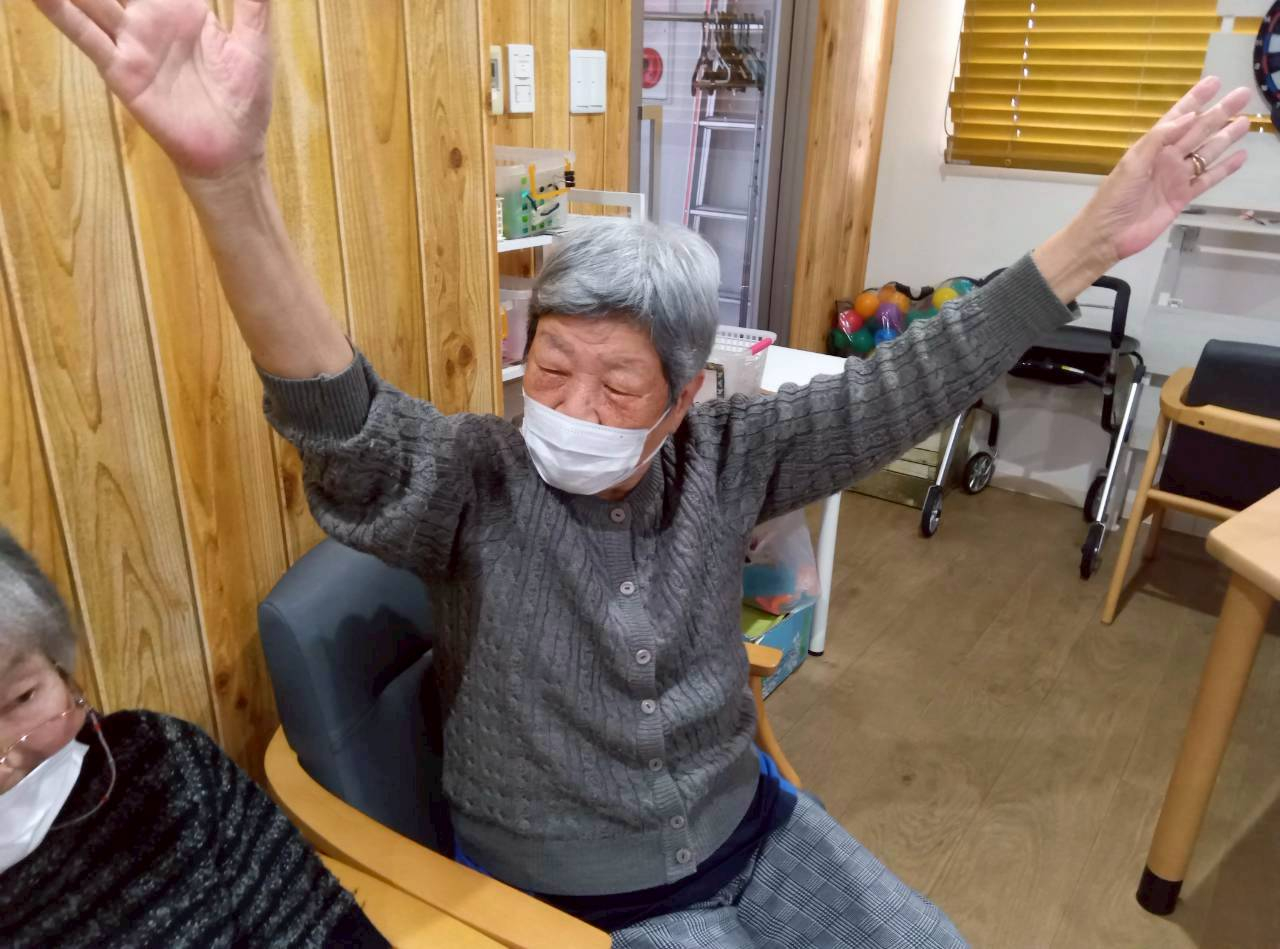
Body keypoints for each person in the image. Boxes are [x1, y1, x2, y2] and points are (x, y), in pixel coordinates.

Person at [30, 0, 1252, 946]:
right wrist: (227, 184)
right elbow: (341, 424)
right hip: (585, 893)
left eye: (616, 388)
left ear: (681, 402)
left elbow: (906, 380)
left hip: (752, 824)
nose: (570, 409)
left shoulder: (731, 452)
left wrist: (1089, 239)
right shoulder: (472, 480)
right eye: (551, 368)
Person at [0, 529, 388, 947]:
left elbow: (320, 928)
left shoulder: (159, 764)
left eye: (23, 696)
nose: (8, 757)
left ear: (60, 667)